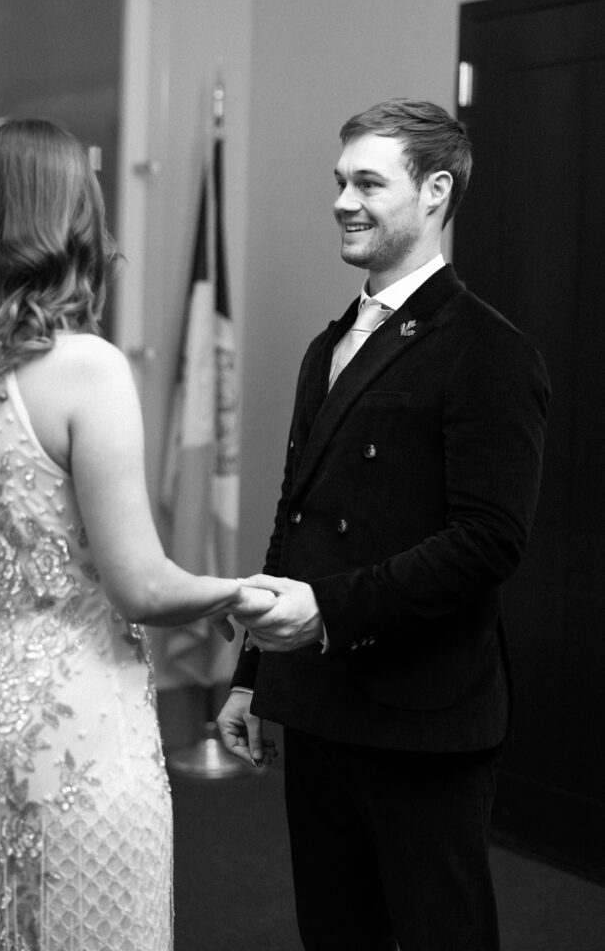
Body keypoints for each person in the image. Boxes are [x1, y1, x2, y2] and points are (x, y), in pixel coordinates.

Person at [0, 117, 271, 951]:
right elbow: (139, 587)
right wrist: (243, 592)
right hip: (73, 742)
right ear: (70, 218)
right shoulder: (88, 368)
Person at [218, 99, 550, 951]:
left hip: (424, 719)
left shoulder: (486, 348)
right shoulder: (324, 348)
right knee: (336, 933)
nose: (341, 199)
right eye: (339, 181)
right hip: (321, 708)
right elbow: (295, 521)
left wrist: (327, 611)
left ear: (435, 191)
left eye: (368, 181)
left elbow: (487, 540)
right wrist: (253, 675)